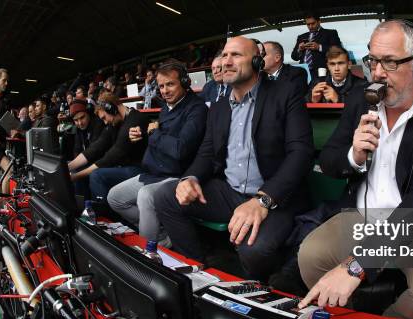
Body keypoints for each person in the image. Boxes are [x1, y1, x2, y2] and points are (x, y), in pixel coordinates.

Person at [297, 20, 413, 319]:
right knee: (310, 256)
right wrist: (354, 155)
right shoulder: (361, 100)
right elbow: (331, 161)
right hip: (359, 215)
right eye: (373, 60)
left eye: (389, 62)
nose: (376, 73)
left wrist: (356, 266)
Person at [154, 36, 314, 282]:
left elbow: (300, 153)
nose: (226, 61)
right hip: (230, 193)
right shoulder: (218, 107)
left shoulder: (285, 94)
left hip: (275, 197)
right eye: (224, 55)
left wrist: (263, 200)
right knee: (165, 195)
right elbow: (207, 152)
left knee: (254, 250)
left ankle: (263, 290)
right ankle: (199, 272)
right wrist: (190, 177)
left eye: (236, 55)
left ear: (257, 61)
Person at [108, 60, 207, 243]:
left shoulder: (196, 108)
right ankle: (163, 234)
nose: (165, 91)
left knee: (145, 196)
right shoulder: (165, 108)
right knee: (114, 197)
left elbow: (180, 149)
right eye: (161, 86)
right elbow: (161, 139)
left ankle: (150, 252)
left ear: (185, 82)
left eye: (170, 84)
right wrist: (142, 136)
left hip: (177, 174)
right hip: (153, 173)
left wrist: (153, 132)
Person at [68, 92, 149, 200]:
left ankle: (104, 215)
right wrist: (67, 167)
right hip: (123, 167)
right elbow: (96, 147)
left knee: (96, 175)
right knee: (79, 170)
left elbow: (112, 157)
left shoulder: (135, 120)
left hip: (140, 169)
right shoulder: (114, 123)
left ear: (112, 109)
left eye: (104, 117)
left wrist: (75, 177)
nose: (105, 122)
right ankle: (85, 208)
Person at [69, 99, 106, 198]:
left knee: (77, 175)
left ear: (88, 113)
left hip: (99, 163)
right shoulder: (78, 129)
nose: (80, 123)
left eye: (82, 118)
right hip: (87, 163)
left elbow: (95, 151)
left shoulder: (98, 123)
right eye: (76, 120)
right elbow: (76, 150)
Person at [291, 12, 342, 79]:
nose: (310, 26)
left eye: (313, 23)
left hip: (322, 72)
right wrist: (299, 49)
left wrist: (319, 47)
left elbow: (338, 50)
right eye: (308, 24)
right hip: (303, 72)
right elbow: (294, 57)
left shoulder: (330, 33)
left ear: (319, 21)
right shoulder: (301, 37)